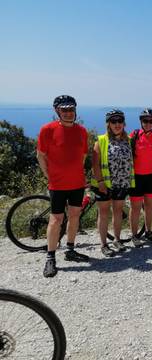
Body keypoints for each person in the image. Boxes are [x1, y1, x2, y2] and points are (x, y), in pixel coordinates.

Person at [37, 95, 90, 277]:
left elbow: (82, 156)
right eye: (64, 110)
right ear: (57, 111)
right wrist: (49, 176)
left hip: (77, 183)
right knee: (56, 219)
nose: (69, 113)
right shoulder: (47, 130)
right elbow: (40, 155)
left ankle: (70, 250)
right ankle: (50, 258)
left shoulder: (82, 131)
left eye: (71, 109)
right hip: (57, 185)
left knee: (75, 215)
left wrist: (78, 173)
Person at [91, 109, 135, 257]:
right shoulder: (101, 141)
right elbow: (95, 164)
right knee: (104, 214)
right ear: (108, 124)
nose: (117, 124)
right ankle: (104, 244)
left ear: (124, 123)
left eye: (120, 121)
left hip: (121, 183)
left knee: (117, 212)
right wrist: (100, 182)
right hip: (104, 184)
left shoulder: (128, 140)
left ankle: (117, 240)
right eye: (113, 121)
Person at [129, 108, 152, 246]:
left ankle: (148, 232)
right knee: (135, 207)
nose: (148, 123)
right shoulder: (134, 136)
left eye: (151, 121)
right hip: (136, 177)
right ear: (141, 122)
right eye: (145, 121)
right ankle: (134, 235)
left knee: (150, 206)